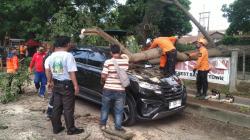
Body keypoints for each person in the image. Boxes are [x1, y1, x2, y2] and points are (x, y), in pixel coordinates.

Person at [44, 36, 83, 135]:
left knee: (56, 107)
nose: (70, 44)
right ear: (67, 44)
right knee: (68, 108)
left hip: (56, 84)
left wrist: (49, 81)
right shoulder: (68, 56)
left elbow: (48, 70)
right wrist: (76, 86)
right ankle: (71, 129)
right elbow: (71, 72)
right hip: (67, 85)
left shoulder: (51, 56)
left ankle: (56, 128)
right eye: (70, 43)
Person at [100, 44, 129, 132]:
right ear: (119, 52)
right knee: (119, 110)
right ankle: (118, 127)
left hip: (108, 89)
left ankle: (103, 126)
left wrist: (104, 80)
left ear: (111, 52)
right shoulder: (125, 62)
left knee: (105, 108)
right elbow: (125, 73)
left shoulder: (108, 62)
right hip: (120, 90)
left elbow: (103, 75)